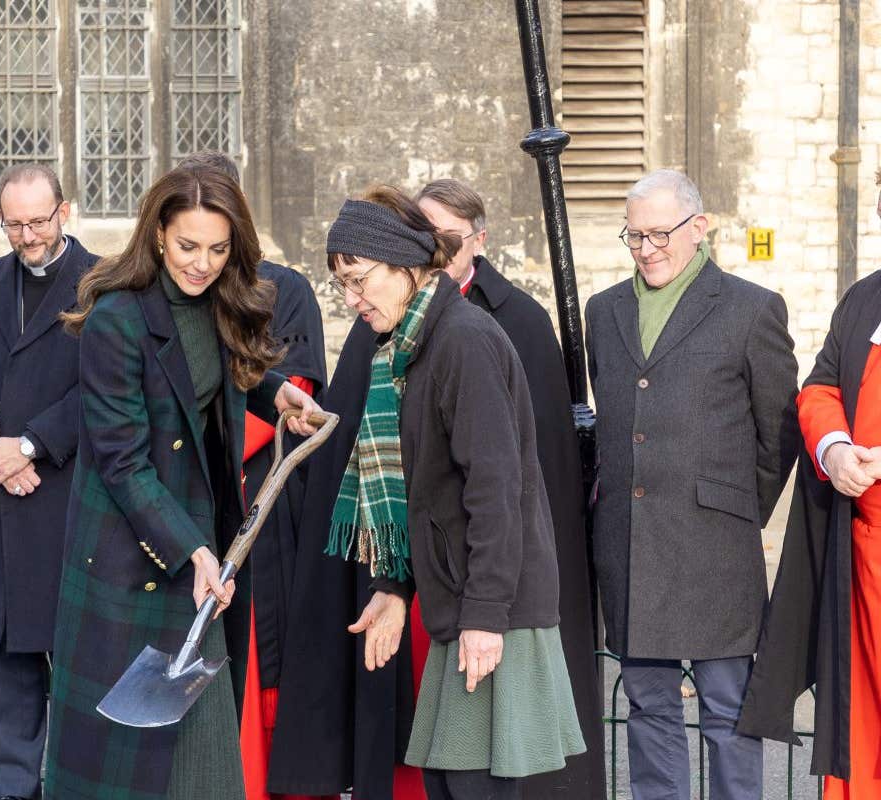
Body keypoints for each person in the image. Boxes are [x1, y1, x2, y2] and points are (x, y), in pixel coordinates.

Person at [42, 164, 321, 800]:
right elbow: (121, 461)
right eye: (189, 246)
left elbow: (224, 376)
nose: (202, 263)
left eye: (219, 249)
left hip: (203, 551)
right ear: (160, 235)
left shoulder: (220, 302)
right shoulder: (117, 320)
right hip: (131, 556)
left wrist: (277, 396)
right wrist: (190, 549)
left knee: (208, 756)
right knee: (125, 774)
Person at [325, 186, 584, 800]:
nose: (352, 300)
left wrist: (486, 618)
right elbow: (428, 494)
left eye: (360, 280)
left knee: (472, 786)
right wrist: (394, 589)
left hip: (492, 612)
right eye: (342, 285)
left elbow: (498, 490)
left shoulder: (461, 341)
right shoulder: (413, 346)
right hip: (462, 603)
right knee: (448, 783)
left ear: (410, 267)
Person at [584, 169, 799, 800]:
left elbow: (778, 432)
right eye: (634, 236)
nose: (647, 249)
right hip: (631, 544)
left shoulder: (752, 308)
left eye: (660, 234)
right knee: (648, 708)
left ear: (698, 229)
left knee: (728, 711)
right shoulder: (603, 312)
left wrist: (738, 511)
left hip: (716, 547)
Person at [415, 179, 604, 798]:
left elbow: (518, 471)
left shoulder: (512, 321)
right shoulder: (400, 323)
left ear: (478, 240)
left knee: (487, 762)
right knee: (450, 764)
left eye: (446, 239)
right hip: (441, 574)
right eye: (424, 239)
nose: (436, 253)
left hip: (496, 577)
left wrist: (496, 595)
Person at [172, 150, 330, 800]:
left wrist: (210, 434)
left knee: (266, 667)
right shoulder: (171, 295)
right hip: (189, 502)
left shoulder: (282, 288)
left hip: (263, 504)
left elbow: (295, 395)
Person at [0, 163, 99, 800]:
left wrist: (32, 445)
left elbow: (109, 389)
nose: (28, 236)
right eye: (14, 224)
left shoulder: (105, 285)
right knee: (3, 668)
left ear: (65, 211)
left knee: (81, 667)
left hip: (62, 499)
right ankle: (13, 790)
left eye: (38, 221)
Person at [738, 172, 881, 796]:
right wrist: (834, 445)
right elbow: (821, 386)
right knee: (861, 721)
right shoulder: (865, 298)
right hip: (862, 554)